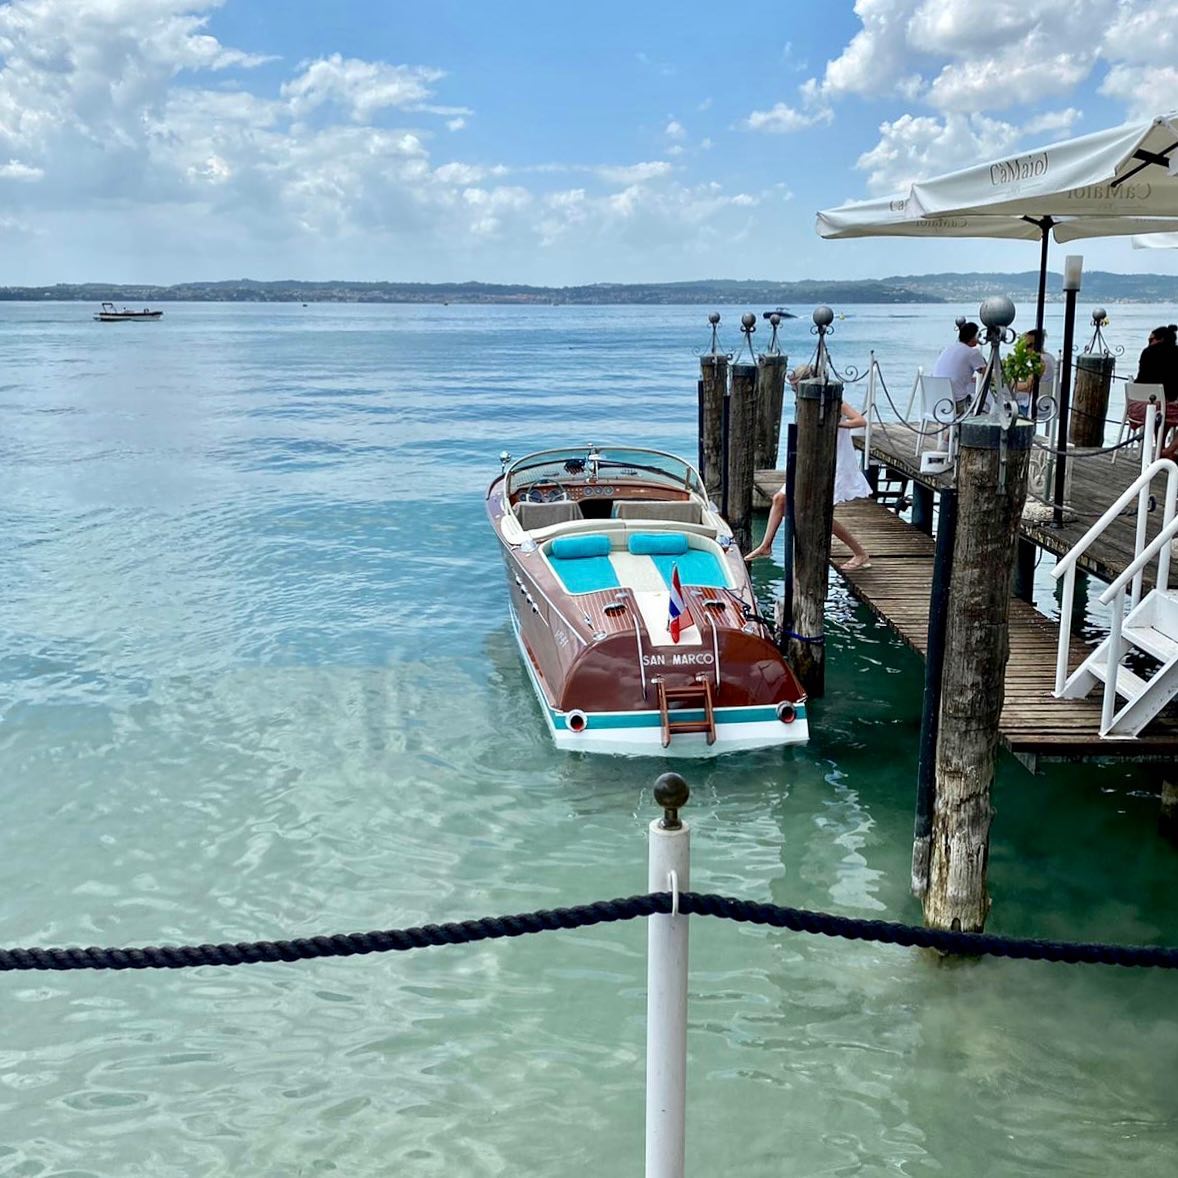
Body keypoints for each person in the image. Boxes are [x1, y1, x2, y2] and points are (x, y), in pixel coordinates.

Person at [745, 365, 872, 572]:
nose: (795, 393)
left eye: (797, 387)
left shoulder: (834, 402)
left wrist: (837, 425)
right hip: (810, 462)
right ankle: (765, 545)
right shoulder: (805, 403)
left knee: (823, 516)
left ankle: (860, 553)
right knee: (779, 499)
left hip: (835, 463)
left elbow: (860, 421)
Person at [1134, 324, 1178, 459]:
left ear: (1161, 339)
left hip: (1139, 408)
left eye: (1151, 340)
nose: (1149, 343)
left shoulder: (1147, 353)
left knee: (1161, 413)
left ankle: (1161, 447)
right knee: (1166, 412)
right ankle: (1168, 450)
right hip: (1164, 406)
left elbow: (1140, 380)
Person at [931, 320, 986, 410]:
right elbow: (987, 373)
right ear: (974, 337)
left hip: (936, 401)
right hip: (955, 403)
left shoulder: (948, 348)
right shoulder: (972, 353)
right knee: (980, 405)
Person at [1011, 328, 1055, 416]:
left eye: (1027, 346)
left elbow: (1028, 387)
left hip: (1035, 407)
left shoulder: (1039, 361)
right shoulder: (1050, 357)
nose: (1025, 349)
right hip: (1047, 404)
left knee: (1003, 406)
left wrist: (1010, 384)